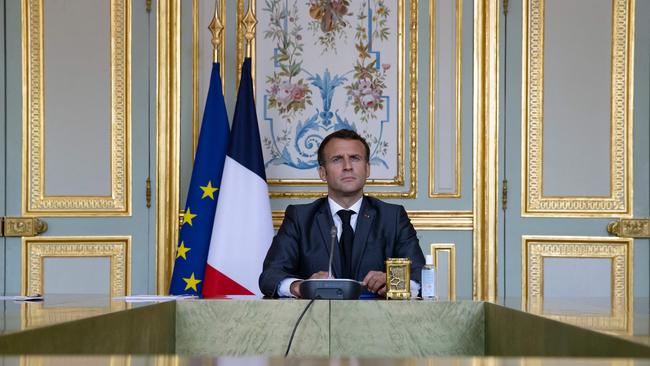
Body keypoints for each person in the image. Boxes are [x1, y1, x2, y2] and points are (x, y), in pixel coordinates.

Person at [259, 129, 425, 298]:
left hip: (379, 321)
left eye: (355, 158)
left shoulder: (393, 217)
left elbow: (419, 276)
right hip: (315, 320)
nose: (347, 167)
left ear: (367, 169)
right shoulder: (300, 218)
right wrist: (300, 286)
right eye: (337, 159)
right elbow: (270, 276)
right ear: (323, 173)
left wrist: (393, 281)